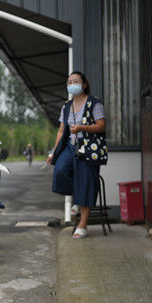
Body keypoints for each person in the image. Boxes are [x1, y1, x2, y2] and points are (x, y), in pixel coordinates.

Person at [46, 71, 107, 239]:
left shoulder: (95, 103)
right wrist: (53, 151)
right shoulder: (66, 106)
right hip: (71, 146)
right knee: (60, 171)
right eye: (69, 81)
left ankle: (83, 225)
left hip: (89, 149)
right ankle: (78, 200)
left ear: (84, 84)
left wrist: (82, 127)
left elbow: (101, 126)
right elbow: (61, 131)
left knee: (86, 180)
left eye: (76, 81)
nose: (72, 84)